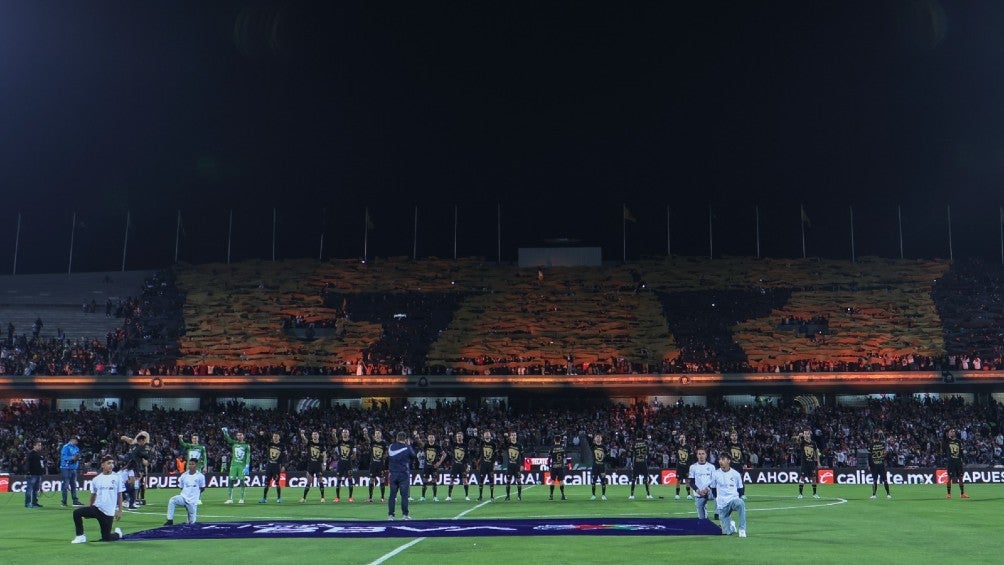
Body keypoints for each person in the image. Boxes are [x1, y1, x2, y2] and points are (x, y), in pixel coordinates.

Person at [70, 455, 124, 544]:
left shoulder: (117, 477)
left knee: (107, 537)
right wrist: (89, 508)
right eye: (109, 463)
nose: (111, 465)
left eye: (112, 463)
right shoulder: (96, 479)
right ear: (103, 465)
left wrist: (120, 511)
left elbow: (120, 495)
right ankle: (80, 536)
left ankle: (118, 534)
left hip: (108, 512)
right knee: (77, 513)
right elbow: (93, 495)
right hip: (97, 508)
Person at [710, 453, 746, 537]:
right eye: (720, 459)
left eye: (723, 459)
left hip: (733, 500)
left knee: (740, 503)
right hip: (722, 505)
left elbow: (740, 490)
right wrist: (719, 499)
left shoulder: (735, 474)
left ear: (729, 461)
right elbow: (713, 489)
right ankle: (732, 526)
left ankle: (742, 529)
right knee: (726, 532)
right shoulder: (715, 474)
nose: (721, 461)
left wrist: (736, 498)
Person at [164, 458, 206, 525]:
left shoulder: (200, 476)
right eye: (190, 464)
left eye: (193, 464)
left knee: (191, 523)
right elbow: (181, 487)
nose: (191, 465)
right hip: (183, 498)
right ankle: (170, 520)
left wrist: (195, 494)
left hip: (193, 501)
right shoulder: (184, 475)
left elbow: (202, 488)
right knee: (172, 500)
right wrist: (186, 493)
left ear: (196, 465)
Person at [387, 431, 417, 520]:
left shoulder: (391, 446)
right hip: (403, 474)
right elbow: (414, 456)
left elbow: (389, 457)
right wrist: (408, 445)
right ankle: (405, 515)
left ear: (397, 438)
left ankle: (391, 516)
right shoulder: (407, 447)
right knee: (404, 496)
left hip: (393, 474)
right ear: (405, 439)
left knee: (392, 496)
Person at [120, 431, 151, 506]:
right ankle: (128, 501)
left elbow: (127, 439)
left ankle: (130, 500)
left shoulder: (135, 445)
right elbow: (145, 458)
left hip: (131, 466)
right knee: (133, 484)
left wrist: (125, 438)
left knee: (134, 484)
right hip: (134, 467)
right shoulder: (140, 447)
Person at [222, 427, 250, 504]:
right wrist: (225, 432)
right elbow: (228, 439)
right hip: (233, 465)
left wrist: (247, 466)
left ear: (243, 436)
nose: (239, 436)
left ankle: (242, 498)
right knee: (231, 481)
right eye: (238, 435)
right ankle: (230, 499)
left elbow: (248, 456)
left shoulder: (246, 445)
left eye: (240, 435)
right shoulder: (234, 443)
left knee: (242, 481)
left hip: (242, 466)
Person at [299, 429, 328, 503]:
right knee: (308, 481)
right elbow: (304, 440)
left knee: (320, 481)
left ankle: (322, 497)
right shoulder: (309, 443)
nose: (315, 435)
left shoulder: (321, 444)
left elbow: (324, 455)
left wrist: (324, 464)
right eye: (313, 434)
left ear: (318, 436)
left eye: (316, 434)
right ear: (312, 436)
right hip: (310, 465)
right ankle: (304, 498)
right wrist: (302, 435)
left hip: (318, 465)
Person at [178, 433, 208, 505]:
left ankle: (198, 499)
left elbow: (205, 458)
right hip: (189, 467)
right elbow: (182, 443)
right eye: (193, 438)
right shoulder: (189, 446)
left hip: (198, 467)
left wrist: (205, 466)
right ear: (192, 439)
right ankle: (186, 497)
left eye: (196, 438)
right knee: (187, 483)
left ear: (198, 439)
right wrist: (180, 438)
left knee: (198, 484)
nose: (195, 440)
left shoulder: (201, 447)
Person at [688, 448, 717, 520]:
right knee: (702, 519)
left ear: (706, 455)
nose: (701, 456)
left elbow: (714, 481)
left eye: (703, 454)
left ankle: (717, 513)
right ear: (697, 455)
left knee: (719, 494)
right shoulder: (693, 467)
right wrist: (698, 491)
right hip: (699, 493)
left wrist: (707, 489)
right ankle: (704, 511)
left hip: (709, 491)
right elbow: (691, 482)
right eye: (699, 454)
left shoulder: (711, 467)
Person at [259, 430, 285, 503]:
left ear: (279, 437)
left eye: (276, 436)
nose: (275, 437)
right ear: (272, 437)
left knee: (277, 483)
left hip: (276, 466)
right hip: (269, 466)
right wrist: (261, 436)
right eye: (274, 436)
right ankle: (264, 498)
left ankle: (279, 498)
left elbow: (284, 457)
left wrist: (283, 465)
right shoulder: (270, 444)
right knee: (266, 483)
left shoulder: (282, 445)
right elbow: (262, 442)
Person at [418, 433, 445, 502]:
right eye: (429, 437)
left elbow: (444, 454)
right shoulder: (426, 445)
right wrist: (417, 437)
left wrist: (439, 463)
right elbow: (420, 443)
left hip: (434, 467)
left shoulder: (437, 446)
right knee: (425, 481)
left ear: (434, 438)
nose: (431, 438)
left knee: (434, 481)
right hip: (426, 466)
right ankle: (423, 497)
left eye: (432, 437)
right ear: (428, 438)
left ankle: (435, 497)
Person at [332, 428, 356, 503]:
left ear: (348, 434)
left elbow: (354, 454)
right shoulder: (339, 442)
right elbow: (335, 439)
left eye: (346, 432)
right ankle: (337, 497)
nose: (345, 433)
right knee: (338, 480)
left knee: (350, 479)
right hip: (341, 463)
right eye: (343, 432)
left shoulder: (352, 442)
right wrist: (333, 434)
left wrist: (349, 458)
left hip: (348, 463)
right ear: (342, 434)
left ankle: (350, 497)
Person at [363, 428, 388, 503]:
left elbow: (386, 453)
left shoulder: (384, 443)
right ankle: (370, 498)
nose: (377, 434)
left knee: (382, 479)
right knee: (371, 480)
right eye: (376, 433)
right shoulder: (372, 442)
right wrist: (366, 434)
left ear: (381, 435)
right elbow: (367, 440)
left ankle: (382, 498)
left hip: (380, 464)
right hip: (373, 464)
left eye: (378, 433)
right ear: (374, 435)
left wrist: (384, 458)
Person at [795, 429, 821, 499]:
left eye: (807, 434)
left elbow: (816, 453)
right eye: (805, 434)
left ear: (810, 434)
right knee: (802, 478)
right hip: (804, 463)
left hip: (812, 463)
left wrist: (818, 462)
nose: (806, 435)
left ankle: (814, 493)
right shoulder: (802, 442)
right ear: (804, 435)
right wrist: (798, 436)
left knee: (814, 478)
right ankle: (800, 494)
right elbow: (797, 442)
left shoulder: (813, 443)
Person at [446, 431, 471, 502]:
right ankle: (449, 496)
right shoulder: (454, 444)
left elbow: (467, 456)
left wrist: (468, 465)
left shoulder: (465, 446)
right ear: (456, 437)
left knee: (465, 480)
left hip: (462, 466)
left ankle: (467, 496)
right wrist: (450, 436)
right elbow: (450, 443)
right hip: (455, 465)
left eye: (460, 436)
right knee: (451, 480)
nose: (459, 437)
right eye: (457, 436)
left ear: (462, 437)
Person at [944, 428, 968, 499]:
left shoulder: (958, 441)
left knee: (960, 477)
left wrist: (963, 460)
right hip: (951, 462)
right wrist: (946, 432)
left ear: (955, 433)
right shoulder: (947, 441)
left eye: (953, 431)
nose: (952, 433)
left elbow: (961, 452)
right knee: (949, 478)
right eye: (951, 431)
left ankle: (962, 494)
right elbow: (943, 437)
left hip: (958, 462)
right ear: (948, 433)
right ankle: (948, 494)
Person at [60, 436, 84, 507]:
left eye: (77, 441)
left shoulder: (76, 448)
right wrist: (72, 458)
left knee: (73, 485)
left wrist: (78, 458)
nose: (77, 442)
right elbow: (63, 457)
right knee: (65, 485)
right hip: (66, 468)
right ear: (72, 439)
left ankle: (75, 501)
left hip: (73, 468)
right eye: (76, 440)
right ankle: (64, 502)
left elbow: (77, 456)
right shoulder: (66, 447)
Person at [628, 430, 652, 500]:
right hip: (643, 462)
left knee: (633, 479)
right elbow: (647, 454)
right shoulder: (645, 442)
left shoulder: (634, 443)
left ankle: (632, 495)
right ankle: (648, 495)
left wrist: (632, 463)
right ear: (642, 436)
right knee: (645, 479)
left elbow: (631, 454)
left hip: (636, 463)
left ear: (636, 435)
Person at [475, 430, 498, 502]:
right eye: (485, 434)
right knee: (481, 481)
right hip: (483, 465)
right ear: (483, 436)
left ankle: (491, 496)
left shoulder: (493, 444)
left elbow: (495, 455)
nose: (487, 435)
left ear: (490, 435)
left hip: (490, 465)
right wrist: (475, 432)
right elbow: (476, 439)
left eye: (488, 434)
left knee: (491, 481)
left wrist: (495, 463)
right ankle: (480, 496)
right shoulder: (482, 443)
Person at [868, 431, 892, 500]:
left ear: (873, 438)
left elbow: (869, 456)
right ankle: (888, 494)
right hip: (881, 464)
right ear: (878, 437)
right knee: (885, 480)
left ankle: (874, 495)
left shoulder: (871, 445)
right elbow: (886, 453)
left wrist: (869, 465)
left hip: (874, 465)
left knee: (874, 480)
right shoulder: (882, 444)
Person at [502, 431, 523, 502]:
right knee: (508, 481)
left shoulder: (519, 445)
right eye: (512, 435)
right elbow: (504, 445)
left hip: (517, 466)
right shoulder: (508, 444)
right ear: (510, 437)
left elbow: (522, 456)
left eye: (515, 435)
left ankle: (519, 496)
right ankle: (508, 496)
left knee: (518, 480)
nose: (514, 436)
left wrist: (522, 465)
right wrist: (505, 437)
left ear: (516, 436)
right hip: (510, 466)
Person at [589, 433, 609, 501]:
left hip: (602, 466)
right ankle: (593, 495)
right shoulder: (593, 446)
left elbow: (607, 454)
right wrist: (590, 437)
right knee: (593, 481)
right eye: (597, 437)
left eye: (599, 437)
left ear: (601, 438)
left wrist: (604, 459)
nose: (598, 438)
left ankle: (603, 495)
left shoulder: (603, 447)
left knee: (603, 481)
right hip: (595, 466)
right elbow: (589, 441)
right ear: (595, 439)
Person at [674, 433, 694, 500]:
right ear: (679, 438)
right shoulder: (677, 446)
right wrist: (673, 436)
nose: (682, 438)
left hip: (686, 466)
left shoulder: (688, 447)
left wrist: (690, 466)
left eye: (683, 437)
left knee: (687, 481)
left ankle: (688, 495)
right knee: (678, 480)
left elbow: (691, 457)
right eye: (681, 437)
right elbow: (672, 441)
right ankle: (677, 495)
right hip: (679, 466)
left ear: (685, 438)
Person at [548, 434, 567, 501]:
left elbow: (549, 459)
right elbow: (565, 457)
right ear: (560, 440)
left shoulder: (552, 448)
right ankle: (563, 495)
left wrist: (548, 466)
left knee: (553, 480)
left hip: (554, 466)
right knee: (561, 481)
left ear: (554, 440)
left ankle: (551, 495)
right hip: (561, 466)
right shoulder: (563, 448)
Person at [25, 440, 44, 508]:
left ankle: (34, 503)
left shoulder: (39, 454)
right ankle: (28, 503)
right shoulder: (31, 453)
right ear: (34, 446)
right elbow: (27, 463)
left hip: (38, 474)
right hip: (32, 474)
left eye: (40, 445)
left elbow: (41, 465)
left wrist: (42, 472)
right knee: (29, 489)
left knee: (36, 490)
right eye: (38, 445)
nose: (40, 446)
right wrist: (27, 472)